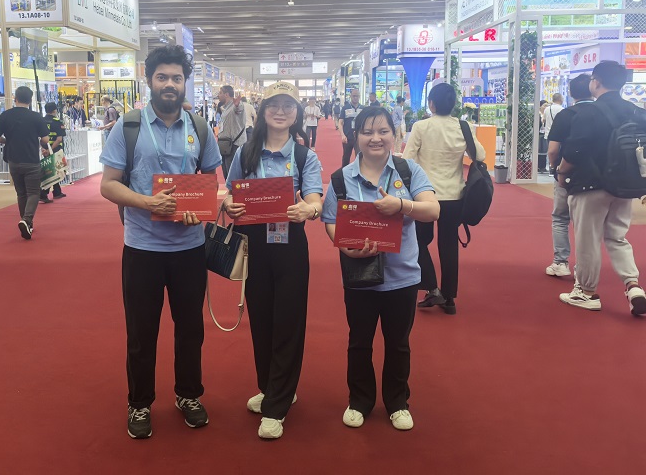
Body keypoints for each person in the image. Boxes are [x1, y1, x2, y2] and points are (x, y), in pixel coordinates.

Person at [99, 45, 222, 440]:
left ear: (185, 83)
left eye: (177, 78)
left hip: (189, 248)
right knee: (142, 332)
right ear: (149, 81)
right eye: (162, 77)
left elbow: (212, 184)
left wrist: (199, 208)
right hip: (142, 248)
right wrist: (147, 202)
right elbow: (108, 185)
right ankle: (139, 402)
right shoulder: (128, 126)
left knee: (190, 330)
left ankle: (189, 395)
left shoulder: (200, 128)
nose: (170, 84)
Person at [321, 106, 439, 432]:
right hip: (359, 275)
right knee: (359, 341)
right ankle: (359, 400)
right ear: (355, 136)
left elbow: (432, 210)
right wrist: (344, 245)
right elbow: (330, 220)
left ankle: (397, 402)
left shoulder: (408, 170)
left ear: (394, 134)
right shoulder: (341, 178)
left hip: (402, 276)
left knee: (398, 343)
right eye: (367, 132)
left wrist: (402, 205)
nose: (375, 138)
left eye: (383, 131)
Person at [223, 81, 323, 440]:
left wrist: (308, 209)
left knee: (288, 322)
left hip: (289, 246)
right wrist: (230, 205)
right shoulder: (245, 153)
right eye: (274, 105)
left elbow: (315, 198)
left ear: (297, 114)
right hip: (254, 245)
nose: (281, 112)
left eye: (288, 106)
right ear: (263, 111)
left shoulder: (305, 157)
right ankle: (272, 387)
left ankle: (276, 406)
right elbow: (229, 193)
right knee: (262, 321)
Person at [556, 61, 646, 315]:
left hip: (590, 185)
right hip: (624, 185)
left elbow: (574, 150)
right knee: (617, 237)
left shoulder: (589, 113)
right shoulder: (636, 111)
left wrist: (562, 172)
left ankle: (586, 292)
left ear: (595, 82)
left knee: (588, 239)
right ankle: (633, 286)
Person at [403, 84, 485, 314]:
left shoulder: (421, 127)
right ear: (453, 104)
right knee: (449, 245)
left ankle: (432, 287)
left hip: (425, 195)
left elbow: (408, 160)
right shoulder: (463, 126)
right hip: (454, 195)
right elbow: (480, 155)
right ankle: (449, 299)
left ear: (431, 104)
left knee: (419, 241)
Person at [544, 75, 594, 278]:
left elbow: (553, 150)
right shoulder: (601, 113)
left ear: (571, 93)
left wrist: (555, 168)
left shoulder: (565, 115)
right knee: (588, 223)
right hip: (597, 176)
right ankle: (586, 267)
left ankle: (560, 261)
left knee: (560, 217)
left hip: (566, 174)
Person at [0, 86, 50, 240]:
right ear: (30, 100)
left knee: (21, 193)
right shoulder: (36, 117)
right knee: (34, 192)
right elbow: (45, 139)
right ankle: (27, 219)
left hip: (13, 160)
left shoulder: (5, 115)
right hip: (31, 159)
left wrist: (7, 141)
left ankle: (26, 222)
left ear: (15, 98)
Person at [40, 102, 67, 203]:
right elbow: (59, 139)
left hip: (44, 149)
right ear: (55, 110)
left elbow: (39, 137)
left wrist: (44, 149)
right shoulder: (57, 122)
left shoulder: (41, 121)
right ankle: (43, 194)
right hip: (55, 149)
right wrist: (50, 149)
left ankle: (57, 191)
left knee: (49, 169)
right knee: (56, 170)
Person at [217, 85, 245, 179]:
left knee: (233, 176)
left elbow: (239, 109)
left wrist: (237, 105)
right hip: (225, 146)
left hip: (234, 146)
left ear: (226, 94)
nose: (218, 95)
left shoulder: (235, 105)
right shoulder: (225, 109)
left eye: (220, 93)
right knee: (227, 175)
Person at [339, 88, 364, 167]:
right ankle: (343, 173)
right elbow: (340, 123)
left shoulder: (363, 108)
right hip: (347, 137)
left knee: (360, 158)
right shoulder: (345, 108)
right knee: (346, 158)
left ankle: (359, 172)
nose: (355, 97)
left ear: (359, 96)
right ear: (350, 96)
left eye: (357, 96)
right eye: (354, 96)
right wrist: (342, 135)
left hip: (359, 137)